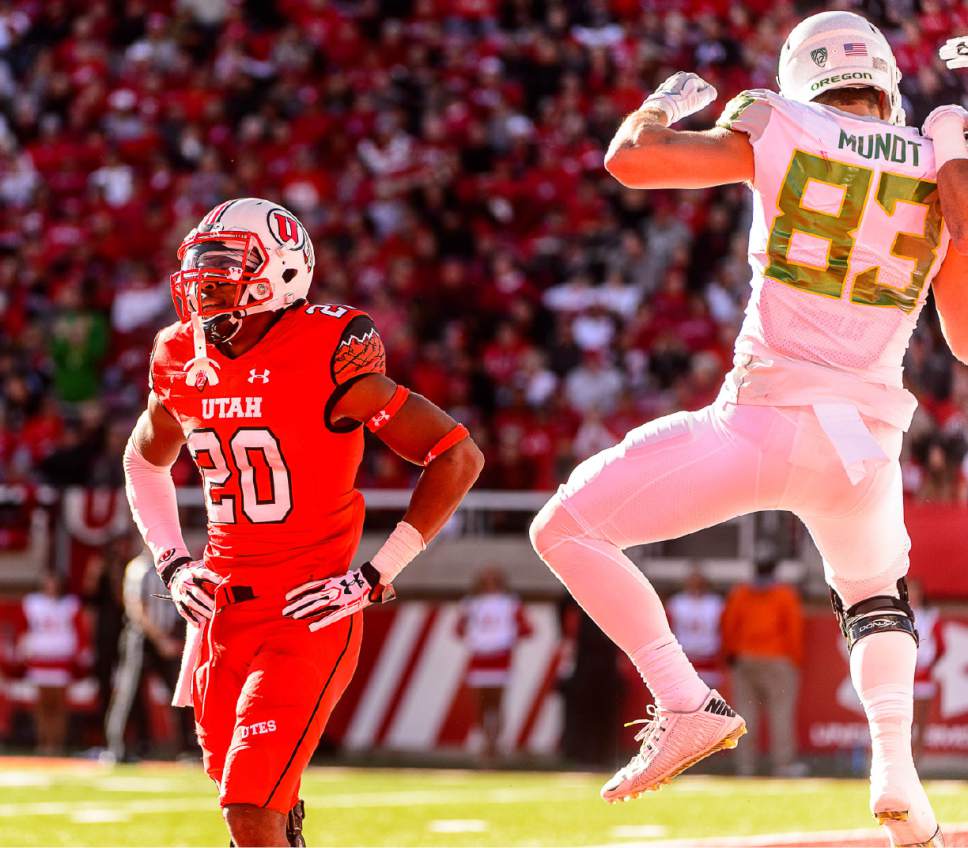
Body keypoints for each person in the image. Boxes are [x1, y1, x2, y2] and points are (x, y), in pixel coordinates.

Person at [531, 11, 958, 845]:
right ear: (887, 79)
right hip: (863, 445)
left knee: (566, 530)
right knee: (875, 597)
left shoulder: (777, 117)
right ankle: (896, 772)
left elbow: (632, 160)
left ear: (805, 77)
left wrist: (663, 101)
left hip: (760, 419)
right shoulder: (943, 163)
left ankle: (683, 699)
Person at [123, 198, 483, 847]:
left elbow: (455, 453)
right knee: (255, 813)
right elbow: (143, 462)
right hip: (221, 616)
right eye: (201, 267)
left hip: (305, 611)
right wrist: (175, 562)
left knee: (250, 810)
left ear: (282, 270)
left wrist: (377, 571)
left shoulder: (328, 346)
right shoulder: (178, 353)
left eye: (226, 267)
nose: (206, 283)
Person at [104, 551, 196, 761]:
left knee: (179, 692)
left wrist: (174, 635)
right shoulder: (140, 568)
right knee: (128, 691)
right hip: (141, 638)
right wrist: (160, 639)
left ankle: (186, 748)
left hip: (167, 635)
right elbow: (136, 609)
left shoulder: (173, 568)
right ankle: (118, 748)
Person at [721, 559, 805, 777]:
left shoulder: (740, 593)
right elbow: (793, 628)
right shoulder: (784, 594)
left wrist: (731, 653)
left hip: (745, 658)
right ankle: (783, 765)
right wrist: (794, 659)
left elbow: (729, 624)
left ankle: (745, 766)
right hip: (777, 659)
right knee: (781, 713)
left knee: (746, 713)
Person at [455, 566, 533, 761]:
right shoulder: (471, 604)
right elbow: (458, 629)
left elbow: (527, 629)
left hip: (501, 658)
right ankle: (483, 742)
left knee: (497, 704)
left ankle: (496, 743)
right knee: (480, 704)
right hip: (479, 658)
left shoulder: (510, 603)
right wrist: (476, 638)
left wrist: (507, 638)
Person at [17, 572, 85, 755]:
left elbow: (79, 631)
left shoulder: (70, 605)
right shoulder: (32, 604)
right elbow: (23, 629)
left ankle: (57, 743)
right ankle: (43, 742)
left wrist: (79, 655)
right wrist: (23, 650)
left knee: (59, 705)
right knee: (41, 705)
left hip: (62, 660)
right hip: (39, 659)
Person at [666, 568, 724, 690]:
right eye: (693, 582)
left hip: (708, 658)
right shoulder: (676, 603)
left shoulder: (716, 603)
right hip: (684, 657)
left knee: (709, 701)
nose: (696, 585)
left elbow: (723, 629)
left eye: (699, 582)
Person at [907, 579, 944, 765]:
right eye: (910, 591)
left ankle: (916, 762)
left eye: (916, 591)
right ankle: (902, 762)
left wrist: (926, 663)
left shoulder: (930, 617)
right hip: (903, 678)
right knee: (905, 723)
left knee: (920, 723)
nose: (913, 595)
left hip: (923, 677)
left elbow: (940, 646)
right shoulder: (900, 615)